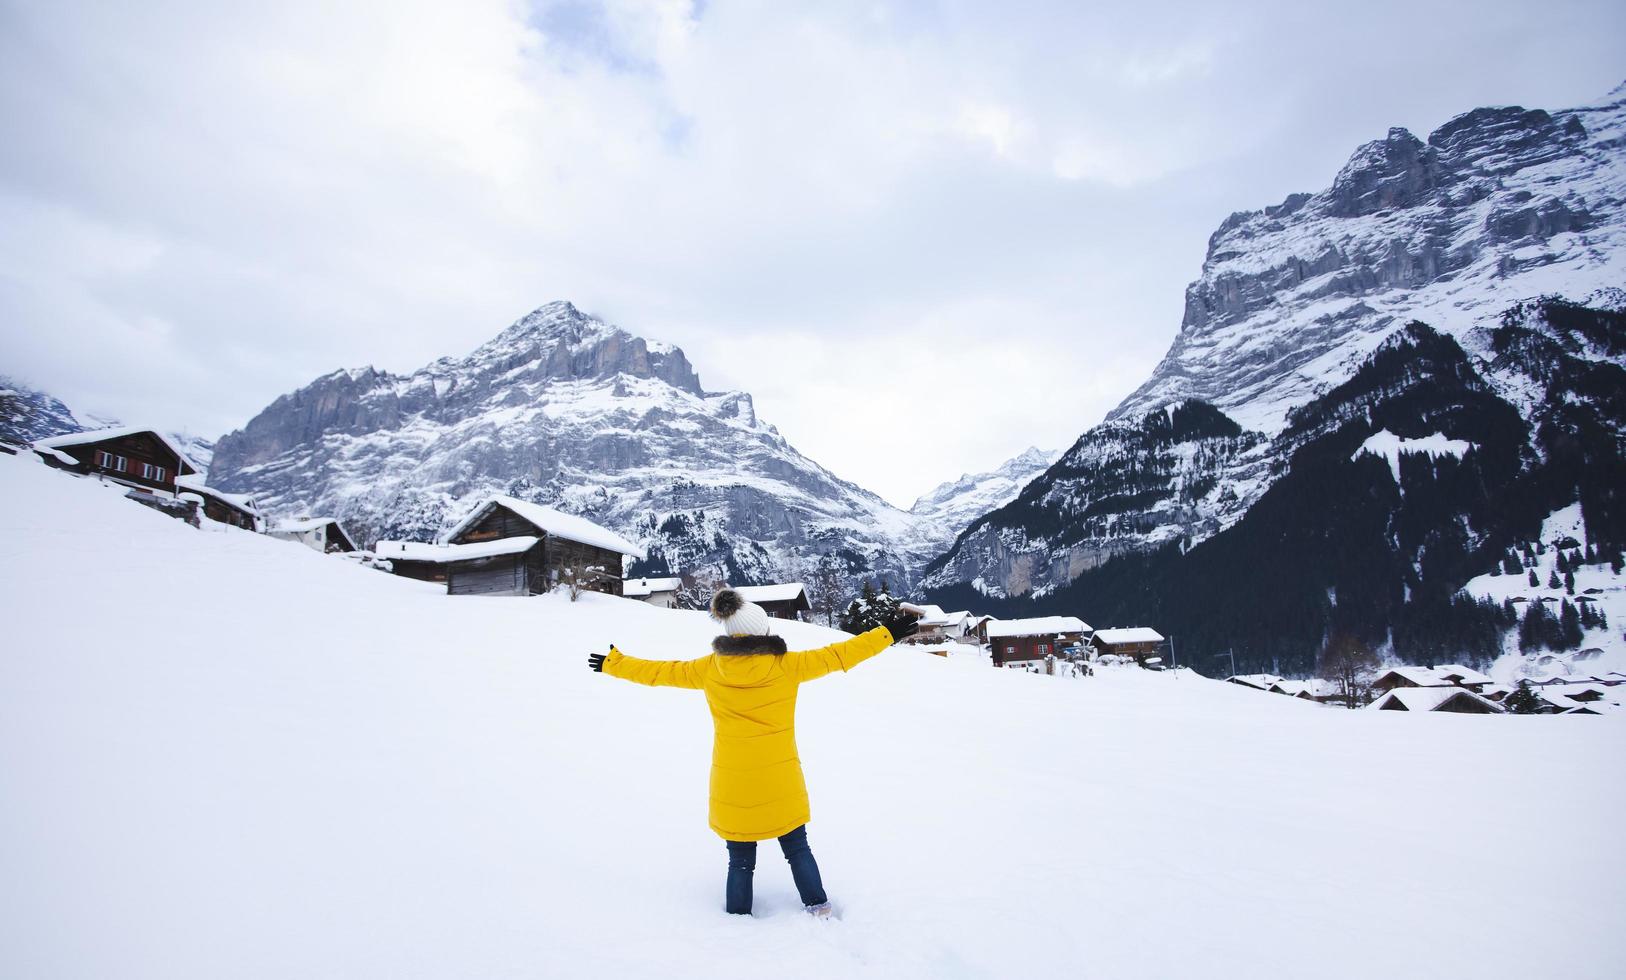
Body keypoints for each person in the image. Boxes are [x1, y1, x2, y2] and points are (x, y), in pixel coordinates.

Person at [588, 588, 918, 917]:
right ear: (763, 632)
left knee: (741, 861)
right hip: (780, 779)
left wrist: (614, 665)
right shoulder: (788, 666)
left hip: (732, 784)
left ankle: (737, 923)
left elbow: (660, 671)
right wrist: (886, 634)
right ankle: (818, 907)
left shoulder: (708, 669)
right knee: (797, 848)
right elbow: (841, 654)